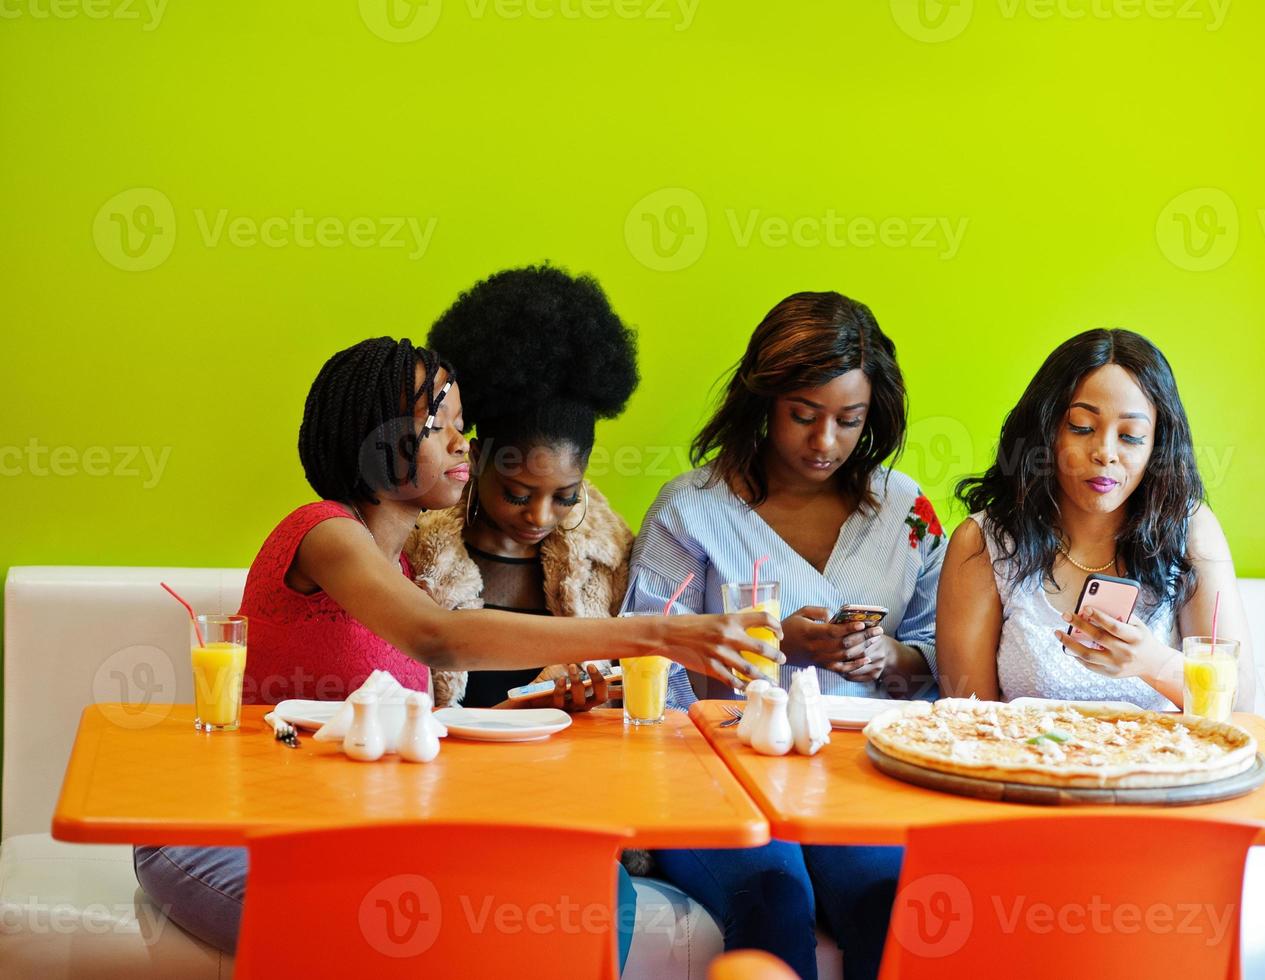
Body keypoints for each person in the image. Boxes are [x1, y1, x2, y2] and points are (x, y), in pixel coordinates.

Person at [133, 336, 781, 961]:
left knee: (571, 885)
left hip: (325, 836)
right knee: (405, 922)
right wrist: (660, 634)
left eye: (461, 424)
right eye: (436, 424)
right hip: (219, 836)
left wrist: (530, 707)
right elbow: (438, 640)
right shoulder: (324, 533)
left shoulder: (404, 574)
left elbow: (408, 732)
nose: (460, 443)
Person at [624, 292, 941, 980]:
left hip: (855, 778)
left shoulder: (904, 511)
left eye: (847, 421)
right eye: (802, 415)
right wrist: (774, 649)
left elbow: (941, 668)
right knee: (771, 894)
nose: (823, 442)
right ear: (761, 402)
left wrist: (888, 656)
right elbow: (643, 675)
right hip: (710, 780)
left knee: (888, 899)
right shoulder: (693, 511)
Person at [935, 328, 1255, 711]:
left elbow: (1238, 708)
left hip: (1158, 769)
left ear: (1157, 445)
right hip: (1023, 769)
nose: (1105, 453)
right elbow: (964, 718)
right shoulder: (985, 542)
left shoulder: (1191, 530)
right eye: (1082, 428)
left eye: (1131, 436)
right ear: (1046, 430)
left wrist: (1153, 663)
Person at [406, 264, 639, 714]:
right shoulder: (416, 554)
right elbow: (394, 704)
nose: (540, 515)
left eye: (566, 495)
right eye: (518, 494)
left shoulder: (608, 562)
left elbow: (634, 702)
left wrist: (592, 704)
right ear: (475, 459)